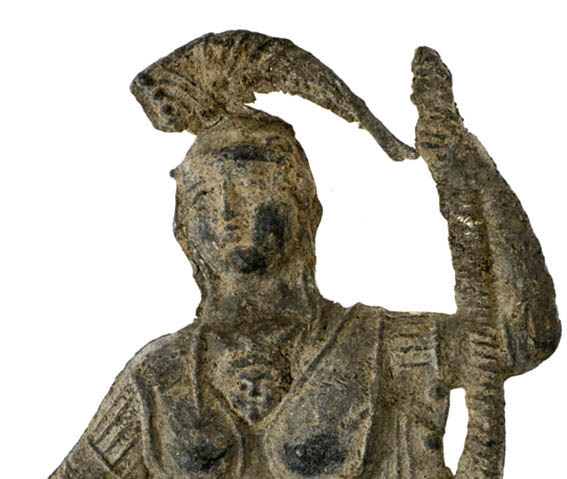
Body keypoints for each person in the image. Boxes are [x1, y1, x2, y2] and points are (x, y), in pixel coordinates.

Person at [49, 33, 560, 479]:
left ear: (303, 207)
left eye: (251, 185)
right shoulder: (160, 376)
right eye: (204, 197)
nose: (227, 211)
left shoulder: (384, 349)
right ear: (184, 229)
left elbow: (524, 335)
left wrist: (467, 167)